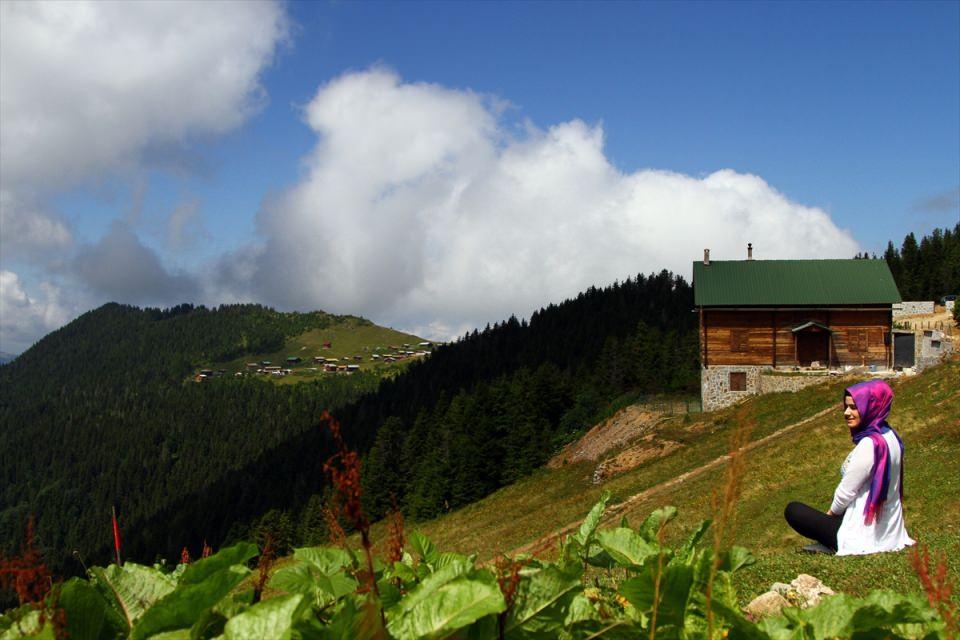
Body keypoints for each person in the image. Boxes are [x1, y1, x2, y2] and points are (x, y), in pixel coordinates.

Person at [784, 379, 914, 555]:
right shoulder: (890, 437)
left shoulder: (870, 445)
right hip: (889, 530)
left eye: (854, 407)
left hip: (862, 533)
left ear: (871, 406)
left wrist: (829, 517)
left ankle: (831, 542)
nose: (847, 413)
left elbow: (846, 493)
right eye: (846, 407)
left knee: (794, 511)